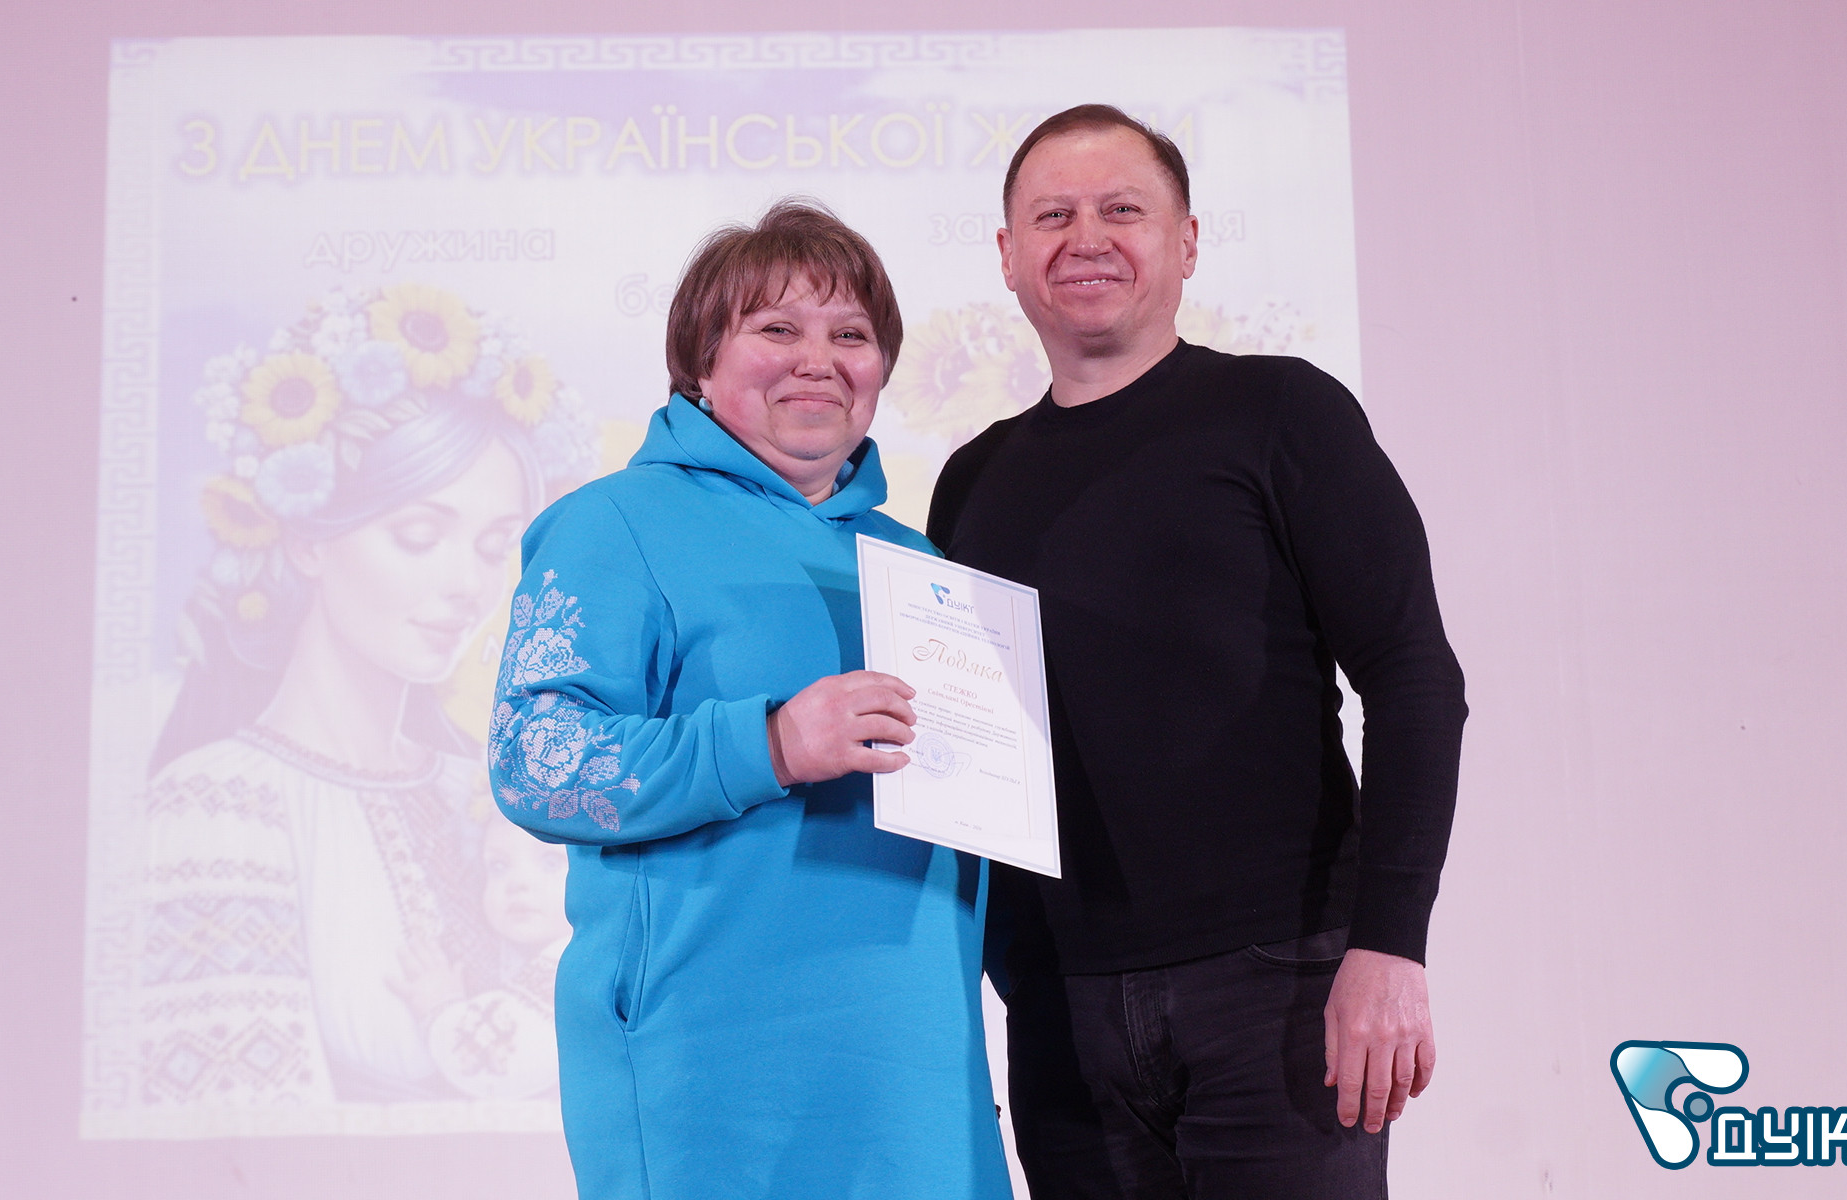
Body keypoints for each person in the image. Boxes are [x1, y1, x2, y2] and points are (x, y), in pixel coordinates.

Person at [928, 105, 1468, 1198]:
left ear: (1185, 243)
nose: (1086, 238)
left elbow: (1415, 680)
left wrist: (1390, 945)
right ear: (1008, 256)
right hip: (1064, 1015)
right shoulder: (971, 482)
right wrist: (1012, 978)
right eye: (1053, 216)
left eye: (1122, 210)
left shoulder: (1280, 412)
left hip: (1281, 985)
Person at [488, 199, 1014, 1200]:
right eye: (777, 329)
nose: (818, 361)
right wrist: (769, 745)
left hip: (916, 1077)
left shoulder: (925, 567)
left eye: (850, 335)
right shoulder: (612, 523)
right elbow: (533, 760)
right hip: (713, 1071)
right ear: (701, 361)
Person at [139, 283, 593, 1117]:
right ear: (309, 541)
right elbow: (235, 1136)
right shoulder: (216, 804)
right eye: (418, 536)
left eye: (494, 547)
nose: (466, 585)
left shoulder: (484, 792)